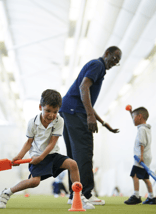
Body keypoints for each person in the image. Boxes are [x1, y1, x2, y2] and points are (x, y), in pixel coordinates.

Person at [0, 89, 94, 209]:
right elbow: (29, 142)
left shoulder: (59, 120)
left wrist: (42, 157)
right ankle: (6, 193)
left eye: (55, 111)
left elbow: (52, 143)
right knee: (34, 182)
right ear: (40, 107)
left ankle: (77, 196)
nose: (51, 115)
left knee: (72, 164)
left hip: (52, 155)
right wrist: (19, 156)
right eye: (48, 110)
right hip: (36, 156)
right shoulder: (32, 123)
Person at [59, 46, 122, 206]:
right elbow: (83, 87)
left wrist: (103, 123)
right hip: (75, 111)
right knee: (84, 151)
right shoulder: (98, 65)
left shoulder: (96, 66)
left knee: (73, 155)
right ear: (107, 53)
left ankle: (74, 194)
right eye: (114, 58)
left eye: (118, 62)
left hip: (68, 110)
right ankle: (84, 193)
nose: (115, 63)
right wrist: (89, 115)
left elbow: (85, 99)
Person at [124, 107, 156, 205]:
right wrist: (131, 112)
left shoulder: (141, 129)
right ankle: (151, 197)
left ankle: (136, 196)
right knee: (146, 178)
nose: (132, 119)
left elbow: (141, 143)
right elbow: (136, 121)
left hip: (141, 156)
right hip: (147, 156)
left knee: (135, 175)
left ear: (139, 116)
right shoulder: (146, 127)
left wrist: (140, 156)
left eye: (133, 117)